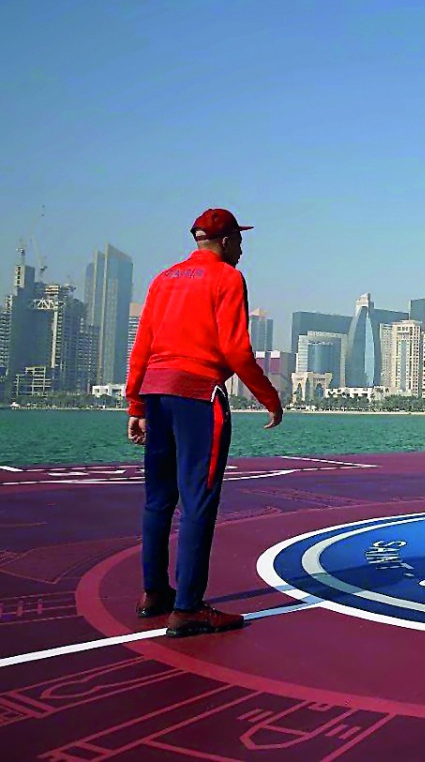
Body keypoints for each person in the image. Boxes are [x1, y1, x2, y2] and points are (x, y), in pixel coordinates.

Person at [126, 208, 284, 638]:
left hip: (156, 393)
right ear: (227, 240)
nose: (242, 249)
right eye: (240, 241)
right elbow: (236, 350)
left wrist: (136, 405)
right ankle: (188, 609)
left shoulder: (163, 279)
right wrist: (269, 398)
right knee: (198, 500)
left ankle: (153, 593)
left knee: (158, 499)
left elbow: (142, 345)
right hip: (198, 397)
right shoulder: (228, 278)